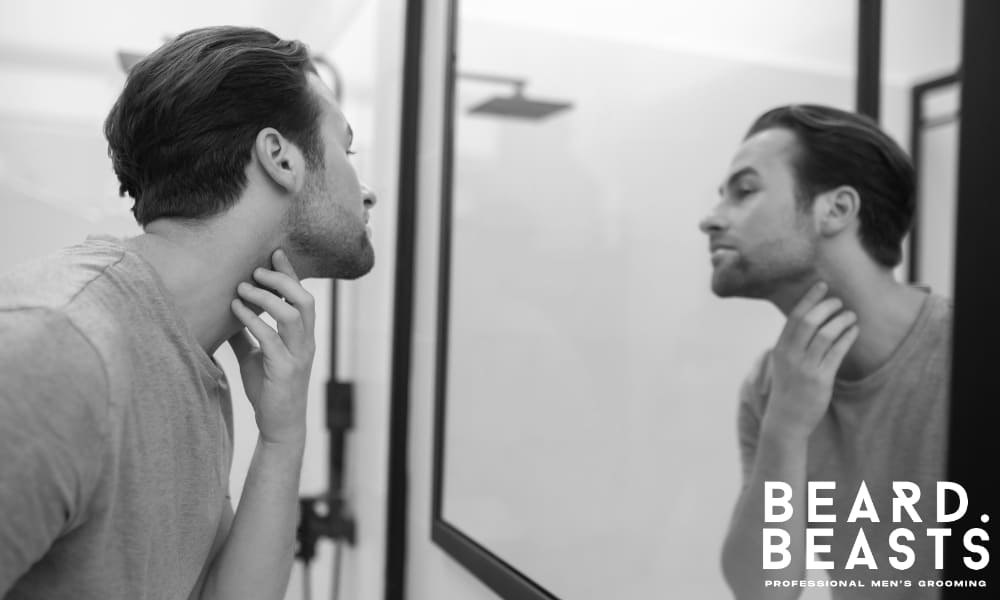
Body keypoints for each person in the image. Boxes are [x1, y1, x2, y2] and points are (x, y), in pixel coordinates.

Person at [0, 26, 376, 599]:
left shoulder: (188, 363)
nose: (367, 191)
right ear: (279, 157)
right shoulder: (49, 347)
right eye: (345, 150)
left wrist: (283, 435)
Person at [701, 105, 951, 600]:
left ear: (836, 210)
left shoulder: (975, 356)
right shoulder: (770, 387)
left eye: (744, 191)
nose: (710, 220)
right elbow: (762, 591)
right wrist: (786, 428)